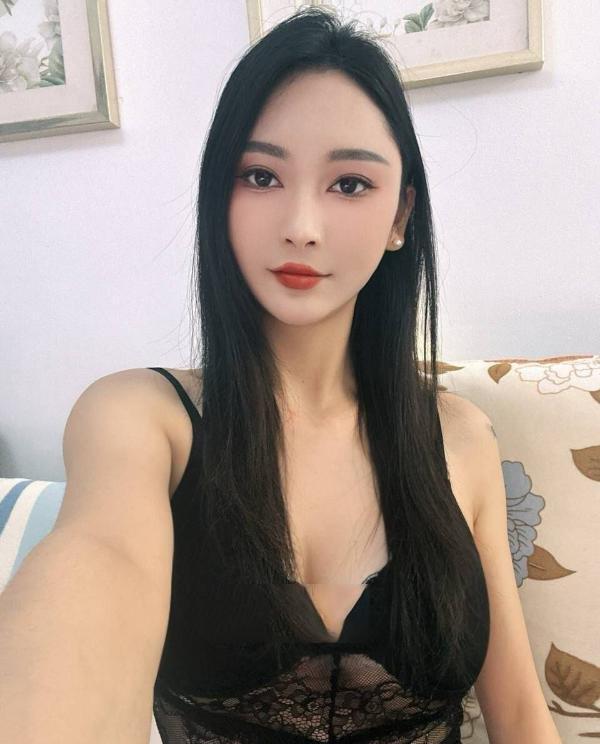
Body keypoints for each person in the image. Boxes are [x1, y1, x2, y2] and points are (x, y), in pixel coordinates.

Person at [0, 6, 562, 744]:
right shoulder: (140, 419)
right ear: (219, 196)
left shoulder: (460, 437)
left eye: (350, 184)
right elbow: (92, 572)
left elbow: (520, 715)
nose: (301, 224)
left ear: (401, 217)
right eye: (260, 175)